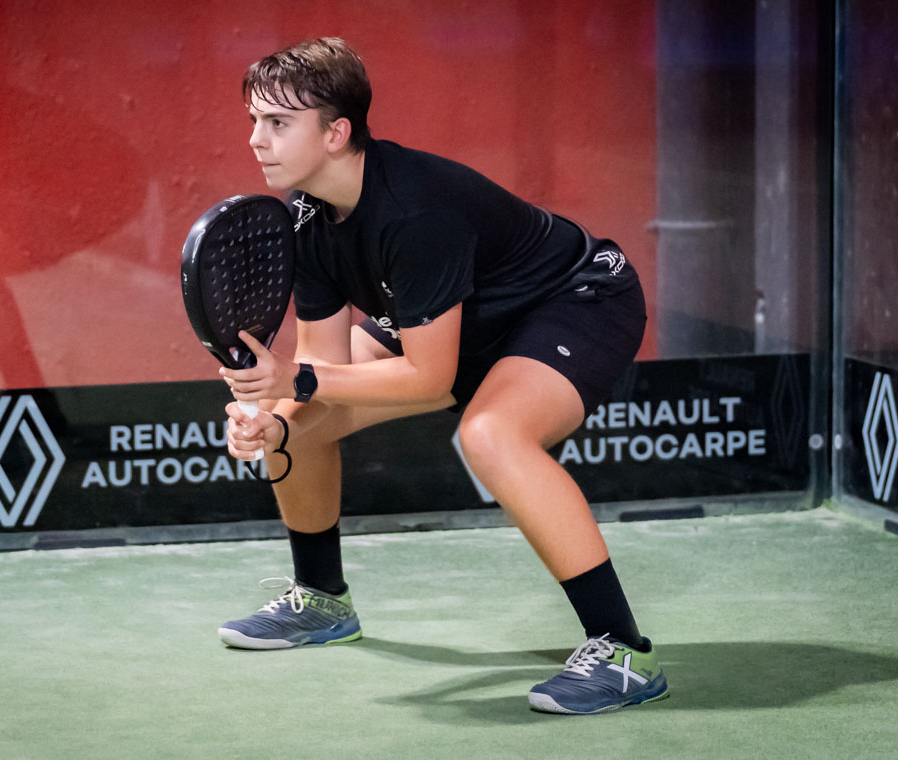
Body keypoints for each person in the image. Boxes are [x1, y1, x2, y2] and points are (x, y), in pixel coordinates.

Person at [216, 37, 668, 715]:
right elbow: (322, 369)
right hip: (455, 319)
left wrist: (294, 383)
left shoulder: (415, 212)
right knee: (294, 424)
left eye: (278, 122)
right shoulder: (306, 217)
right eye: (254, 120)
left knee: (493, 434)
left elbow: (428, 381)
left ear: (336, 133)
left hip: (572, 301)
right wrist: (273, 420)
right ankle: (321, 600)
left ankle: (624, 653)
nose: (256, 139)